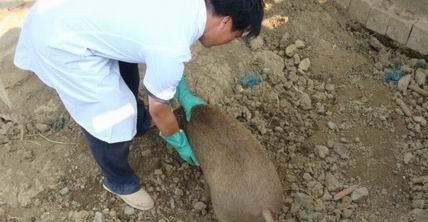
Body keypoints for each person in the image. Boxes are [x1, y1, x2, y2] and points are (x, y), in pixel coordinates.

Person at [13, 0, 264, 210]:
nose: (229, 41)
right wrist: (178, 141)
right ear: (225, 22)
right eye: (235, 36)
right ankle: (118, 181)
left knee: (127, 75)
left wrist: (182, 91)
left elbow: (159, 52)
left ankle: (138, 122)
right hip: (61, 42)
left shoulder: (190, 9)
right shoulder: (172, 45)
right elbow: (159, 107)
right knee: (109, 117)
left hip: (70, 13)